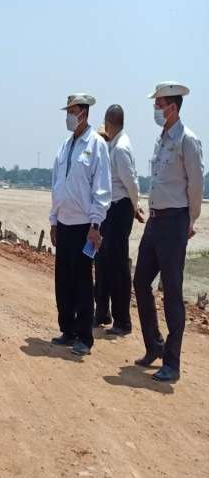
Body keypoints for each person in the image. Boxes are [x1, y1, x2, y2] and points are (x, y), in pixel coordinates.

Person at [133, 82, 203, 383]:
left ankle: (172, 363)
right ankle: (155, 345)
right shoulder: (161, 139)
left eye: (159, 105)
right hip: (155, 220)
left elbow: (196, 184)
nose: (156, 110)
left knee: (172, 290)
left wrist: (190, 220)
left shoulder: (188, 140)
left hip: (175, 221)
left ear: (173, 107)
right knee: (140, 281)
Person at [49, 93, 111, 357]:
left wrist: (96, 224)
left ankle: (84, 336)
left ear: (83, 113)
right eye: (67, 112)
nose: (68, 116)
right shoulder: (65, 146)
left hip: (85, 225)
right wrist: (53, 220)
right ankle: (68, 329)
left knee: (83, 282)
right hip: (64, 222)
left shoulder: (96, 145)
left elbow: (102, 188)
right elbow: (56, 184)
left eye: (72, 112)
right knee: (63, 281)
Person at [94, 105, 143, 335]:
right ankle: (102, 312)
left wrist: (135, 206)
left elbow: (131, 182)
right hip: (108, 210)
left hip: (120, 208)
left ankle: (123, 321)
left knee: (117, 266)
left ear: (108, 123)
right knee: (102, 262)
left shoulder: (121, 148)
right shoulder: (111, 144)